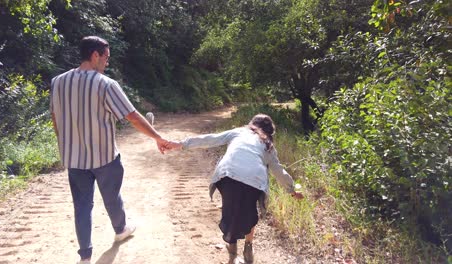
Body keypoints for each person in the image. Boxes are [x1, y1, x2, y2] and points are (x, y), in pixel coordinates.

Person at [50, 36, 171, 264]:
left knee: (82, 206)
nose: (107, 62)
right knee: (111, 197)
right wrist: (157, 137)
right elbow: (132, 116)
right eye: (106, 57)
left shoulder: (58, 82)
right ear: (95, 55)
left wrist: (64, 143)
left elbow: (55, 117)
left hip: (74, 159)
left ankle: (85, 256)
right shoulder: (105, 84)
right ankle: (121, 229)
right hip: (104, 157)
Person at [167, 114, 304, 263]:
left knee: (230, 209)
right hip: (253, 179)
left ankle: (232, 251)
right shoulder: (268, 145)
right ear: (270, 131)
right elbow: (278, 171)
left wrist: (181, 144)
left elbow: (211, 139)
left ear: (252, 124)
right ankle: (248, 249)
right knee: (249, 212)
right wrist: (292, 190)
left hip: (228, 174)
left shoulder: (239, 132)